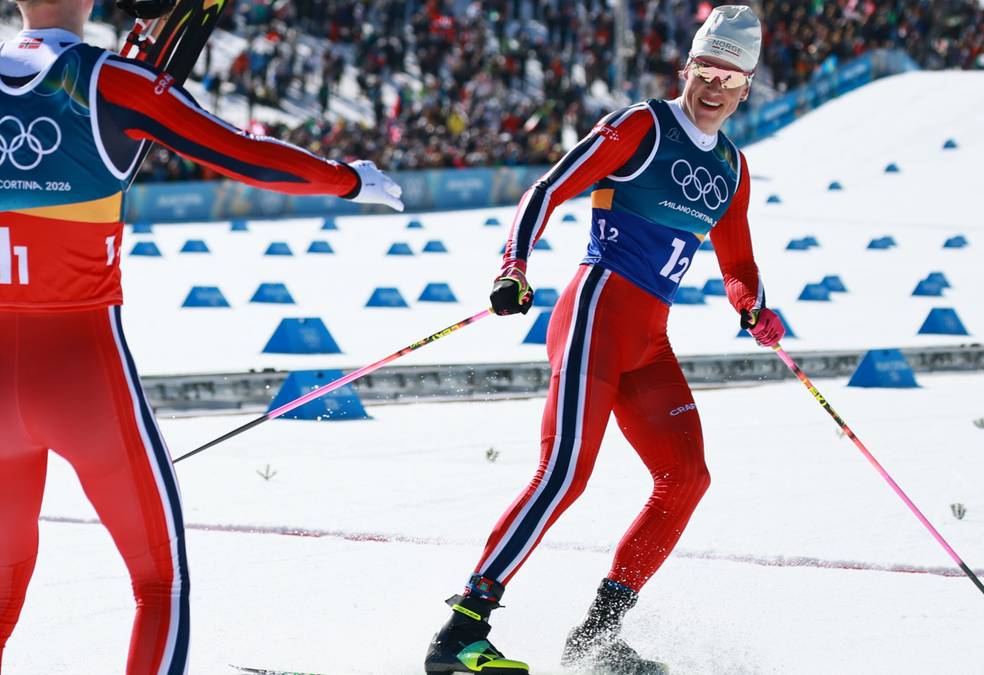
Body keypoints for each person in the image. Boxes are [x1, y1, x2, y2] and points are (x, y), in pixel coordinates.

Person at [0, 0, 404, 672]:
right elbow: (248, 155)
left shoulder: (113, 78)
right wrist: (349, 178)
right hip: (82, 369)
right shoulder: (111, 82)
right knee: (161, 585)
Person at [424, 6, 784, 675]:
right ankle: (460, 632)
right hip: (596, 312)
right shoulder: (643, 125)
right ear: (687, 69)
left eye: (728, 77)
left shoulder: (732, 168)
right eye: (705, 70)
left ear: (746, 86)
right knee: (565, 473)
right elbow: (547, 188)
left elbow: (737, 265)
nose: (713, 87)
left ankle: (597, 636)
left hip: (648, 338)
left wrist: (753, 306)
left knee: (686, 477)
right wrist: (514, 266)